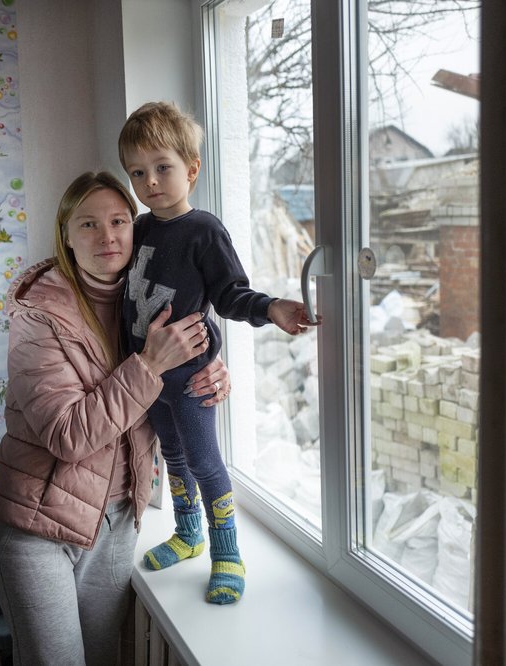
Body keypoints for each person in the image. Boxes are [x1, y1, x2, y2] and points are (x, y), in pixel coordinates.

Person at [0, 171, 232, 666]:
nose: (108, 236)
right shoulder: (38, 317)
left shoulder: (146, 303)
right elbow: (68, 435)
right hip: (39, 525)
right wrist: (152, 365)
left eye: (120, 221)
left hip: (119, 518)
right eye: (89, 224)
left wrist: (210, 373)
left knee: (102, 658)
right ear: (67, 235)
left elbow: (178, 372)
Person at [117, 101, 318, 605]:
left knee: (205, 461)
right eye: (138, 173)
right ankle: (188, 535)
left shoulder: (204, 229)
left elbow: (229, 295)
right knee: (173, 454)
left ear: (192, 167)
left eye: (162, 168)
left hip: (190, 379)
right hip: (150, 379)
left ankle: (226, 551)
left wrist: (270, 308)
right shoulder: (139, 230)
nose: (151, 182)